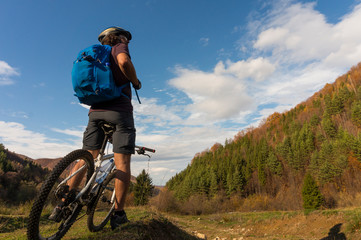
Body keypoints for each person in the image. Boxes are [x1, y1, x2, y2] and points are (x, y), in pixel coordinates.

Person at [49, 26, 141, 230]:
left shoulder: (95, 55)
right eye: (126, 39)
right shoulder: (119, 47)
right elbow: (124, 62)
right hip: (119, 112)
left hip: (95, 112)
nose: (127, 42)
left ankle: (63, 203)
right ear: (121, 37)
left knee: (86, 156)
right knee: (122, 163)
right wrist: (135, 81)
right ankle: (118, 214)